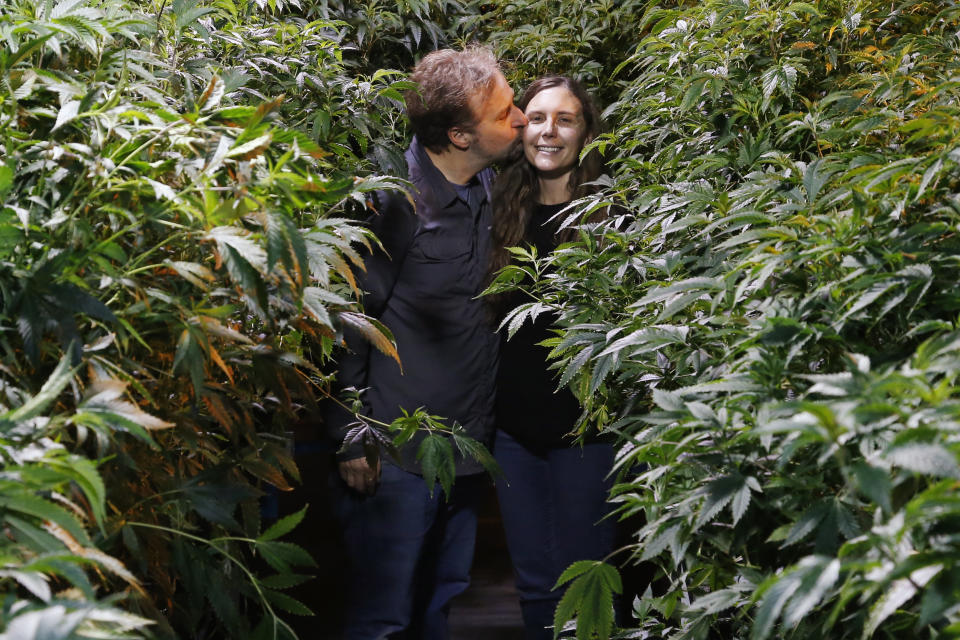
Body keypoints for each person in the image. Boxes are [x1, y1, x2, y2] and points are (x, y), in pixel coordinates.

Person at [324, 45, 528, 639]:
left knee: (440, 603)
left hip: (465, 449)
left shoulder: (492, 189)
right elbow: (345, 319)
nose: (518, 119)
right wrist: (349, 435)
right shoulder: (391, 202)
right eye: (505, 111)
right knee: (380, 616)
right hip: (396, 459)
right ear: (461, 135)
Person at [488, 76, 614, 640]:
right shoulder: (497, 209)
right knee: (535, 583)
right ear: (521, 128)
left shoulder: (613, 218)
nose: (548, 131)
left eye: (565, 119)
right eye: (537, 118)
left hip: (586, 429)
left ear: (586, 131)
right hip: (513, 432)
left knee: (587, 580)